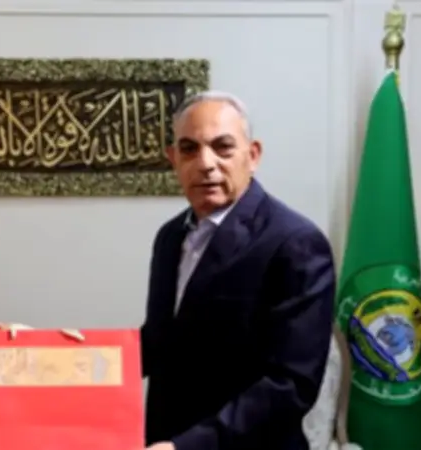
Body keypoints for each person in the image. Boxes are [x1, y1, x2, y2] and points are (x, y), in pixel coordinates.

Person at [141, 91, 336, 450]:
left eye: (223, 147)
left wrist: (188, 446)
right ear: (173, 159)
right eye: (189, 149)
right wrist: (51, 354)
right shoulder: (170, 237)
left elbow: (291, 384)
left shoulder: (296, 243)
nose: (206, 163)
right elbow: (157, 342)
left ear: (253, 155)